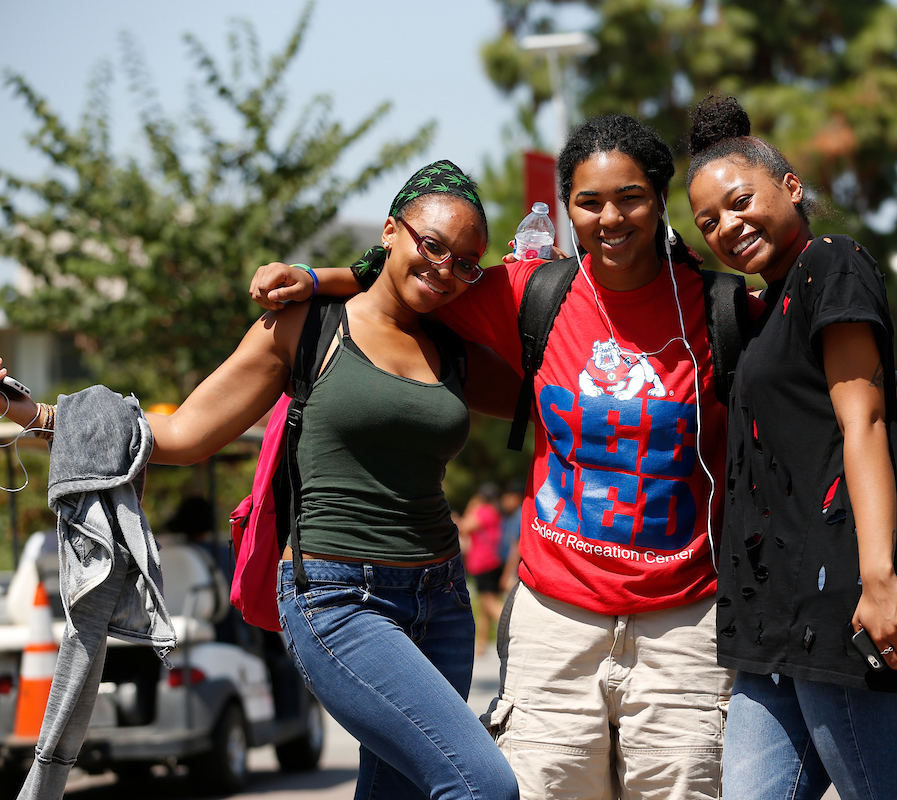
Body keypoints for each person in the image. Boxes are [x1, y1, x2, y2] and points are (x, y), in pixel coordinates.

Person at [249, 112, 897, 800]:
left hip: (685, 626)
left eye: (630, 197)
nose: (611, 217)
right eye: (588, 201)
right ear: (566, 208)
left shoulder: (723, 308)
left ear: (661, 203)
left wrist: (891, 388)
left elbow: (813, 372)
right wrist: (318, 276)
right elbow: (416, 278)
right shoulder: (531, 295)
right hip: (556, 625)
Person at [1, 160, 522, 800]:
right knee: (481, 783)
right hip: (338, 600)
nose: (445, 270)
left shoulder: (454, 345)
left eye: (466, 263)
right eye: (432, 245)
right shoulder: (308, 327)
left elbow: (555, 393)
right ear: (390, 230)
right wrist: (33, 413)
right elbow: (187, 433)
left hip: (441, 600)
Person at [684, 94, 897, 799]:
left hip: (846, 612)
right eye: (709, 222)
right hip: (769, 628)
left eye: (739, 202)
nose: (727, 227)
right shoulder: (759, 310)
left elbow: (862, 425)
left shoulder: (832, 262)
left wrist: (881, 577)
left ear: (791, 186)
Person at [458, 483, 505, 654]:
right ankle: (482, 644)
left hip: (482, 563)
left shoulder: (483, 511)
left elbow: (463, 526)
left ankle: (516, 631)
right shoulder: (494, 512)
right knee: (485, 607)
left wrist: (471, 506)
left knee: (489, 603)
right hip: (492, 562)